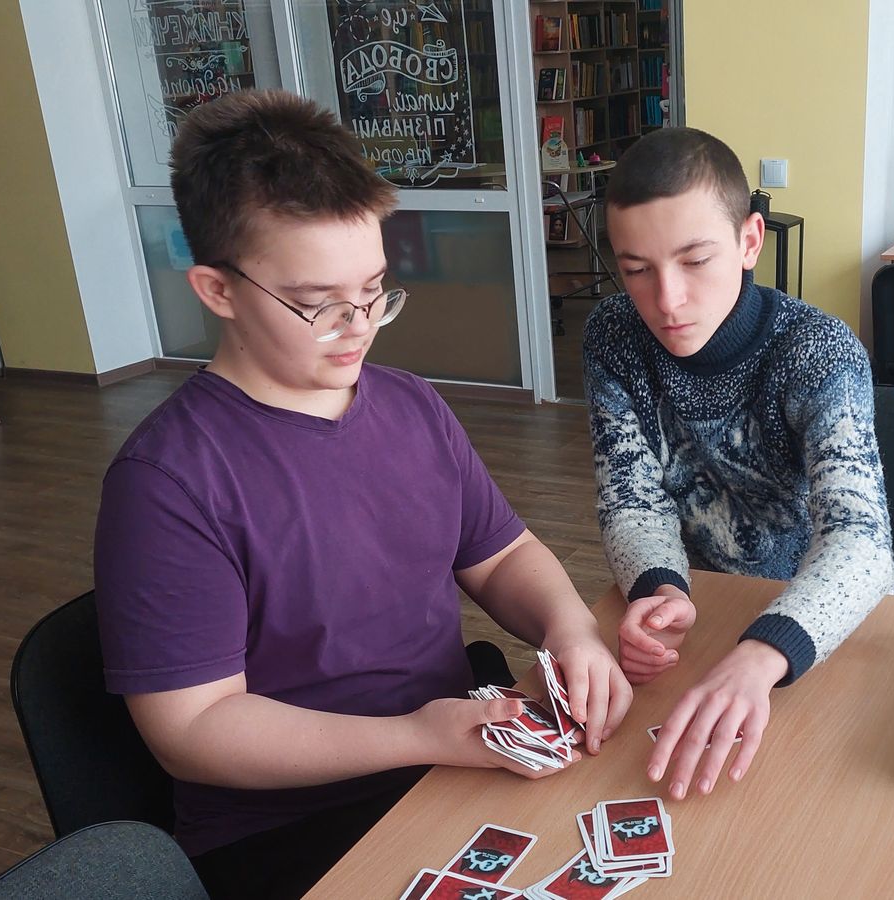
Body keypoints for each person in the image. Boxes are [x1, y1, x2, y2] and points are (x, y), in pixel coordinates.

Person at [94, 89, 631, 900]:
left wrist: (571, 628)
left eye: (376, 290)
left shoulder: (411, 403)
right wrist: (416, 736)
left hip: (449, 760)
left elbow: (502, 555)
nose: (361, 327)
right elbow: (194, 730)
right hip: (289, 829)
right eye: (320, 306)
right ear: (217, 290)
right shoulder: (167, 483)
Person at [582, 127, 894, 803]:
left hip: (825, 617)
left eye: (695, 260)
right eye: (637, 270)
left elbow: (860, 539)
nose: (667, 300)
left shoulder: (817, 351)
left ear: (750, 241)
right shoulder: (613, 336)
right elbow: (632, 499)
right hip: (704, 613)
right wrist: (659, 587)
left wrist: (765, 652)